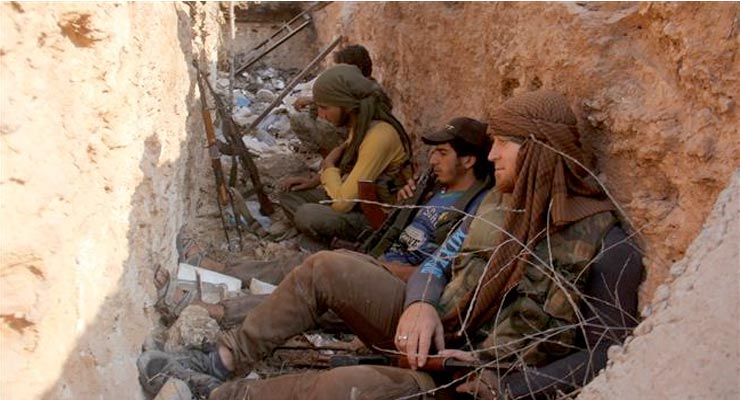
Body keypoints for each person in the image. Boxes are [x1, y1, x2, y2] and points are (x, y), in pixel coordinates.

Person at [140, 90, 643, 400]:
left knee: (345, 388)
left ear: (536, 151)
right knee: (325, 267)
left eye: (502, 144)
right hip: (430, 329)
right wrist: (422, 303)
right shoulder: (501, 206)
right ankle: (222, 360)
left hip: (467, 377)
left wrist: (508, 388)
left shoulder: (608, 243)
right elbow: (440, 262)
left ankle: (219, 394)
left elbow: (606, 351)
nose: (492, 155)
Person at [157, 117, 493, 328]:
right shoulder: (435, 188)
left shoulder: (474, 208)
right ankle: (214, 268)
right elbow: (396, 230)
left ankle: (216, 311)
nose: (432, 159)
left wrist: (374, 267)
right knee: (304, 262)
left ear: (468, 159)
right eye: (433, 152)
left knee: (317, 289)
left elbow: (441, 270)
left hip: (403, 288)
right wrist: (403, 206)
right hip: (383, 263)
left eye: (443, 153)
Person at [279, 64, 414, 250]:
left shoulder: (380, 135)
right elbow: (347, 167)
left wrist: (328, 167)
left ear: (346, 105)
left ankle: (349, 246)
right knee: (289, 195)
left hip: (378, 216)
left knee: (307, 215)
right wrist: (313, 182)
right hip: (354, 199)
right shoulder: (358, 124)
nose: (321, 115)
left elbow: (342, 204)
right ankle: (327, 238)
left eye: (325, 108)